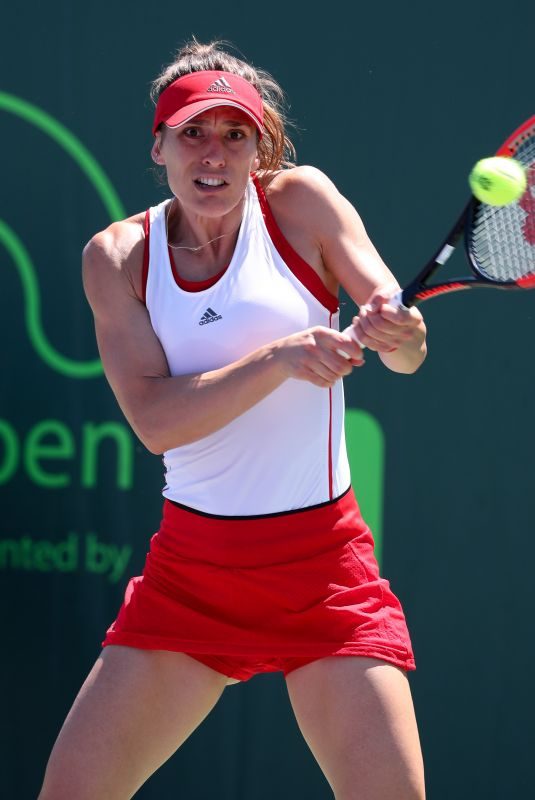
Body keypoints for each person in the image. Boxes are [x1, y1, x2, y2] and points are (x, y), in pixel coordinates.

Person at [39, 39, 427, 800]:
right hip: (192, 576)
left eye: (234, 134)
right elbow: (154, 420)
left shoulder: (302, 203)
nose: (211, 154)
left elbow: (406, 349)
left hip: (324, 573)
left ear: (261, 148)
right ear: (159, 146)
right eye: (192, 132)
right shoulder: (117, 256)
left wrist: (401, 335)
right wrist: (280, 357)